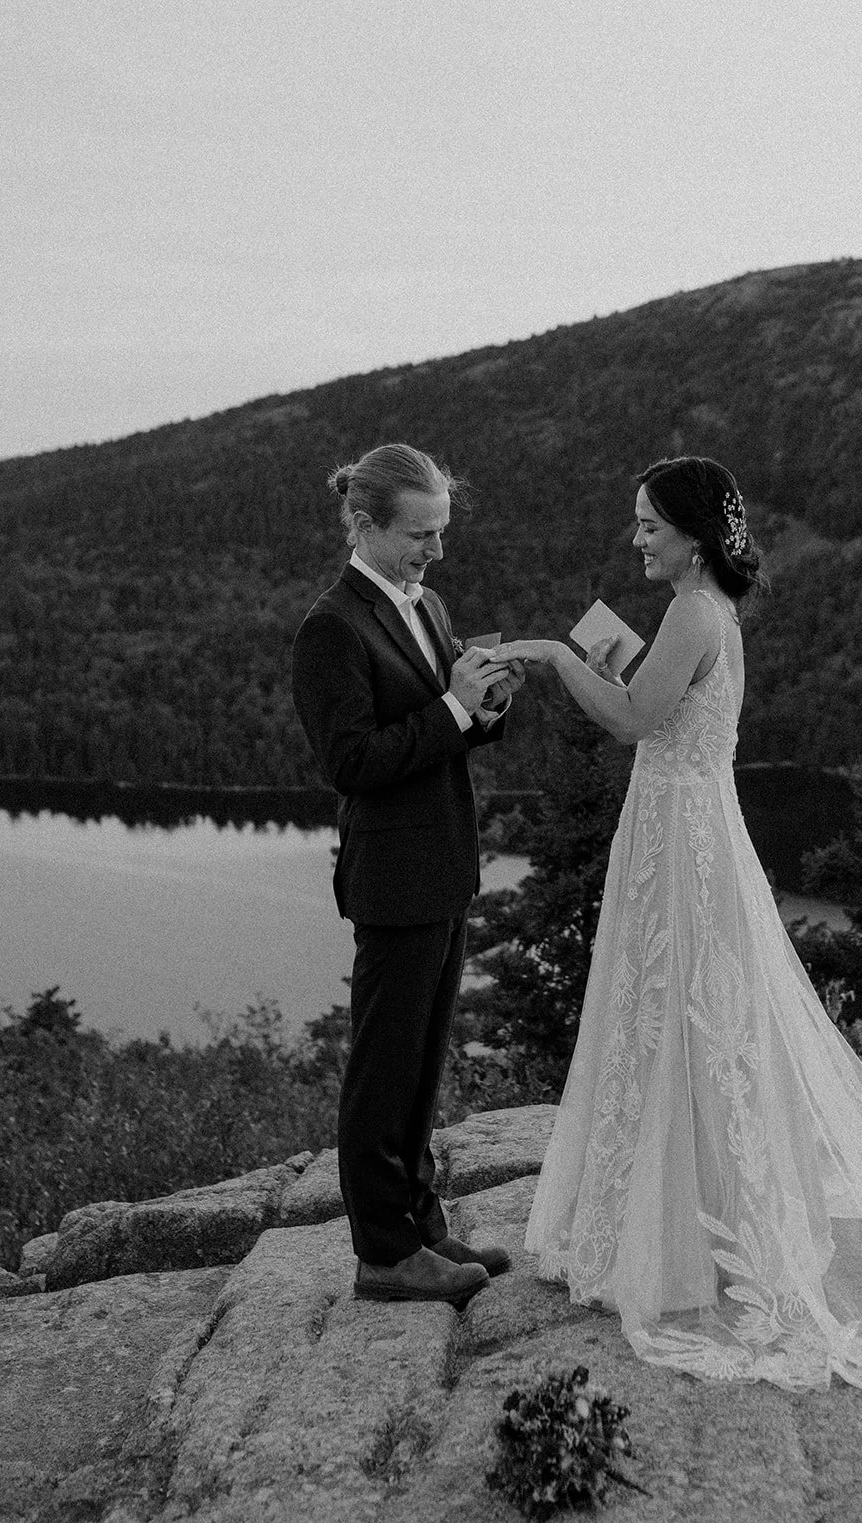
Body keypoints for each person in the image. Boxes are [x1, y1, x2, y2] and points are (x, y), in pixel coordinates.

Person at [493, 455, 862, 1409]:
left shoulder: (693, 609)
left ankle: (682, 1236)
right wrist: (608, 649)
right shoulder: (708, 611)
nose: (635, 539)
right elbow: (665, 697)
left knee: (678, 1010)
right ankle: (691, 1216)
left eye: (646, 525)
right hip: (690, 825)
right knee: (689, 1013)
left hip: (680, 837)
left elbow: (638, 721)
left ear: (690, 535)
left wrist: (557, 656)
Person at [292, 443, 524, 1306]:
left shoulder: (426, 607)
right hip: (393, 878)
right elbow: (351, 762)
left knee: (422, 1062)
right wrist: (455, 706)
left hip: (443, 867)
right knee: (383, 1069)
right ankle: (383, 1253)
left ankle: (421, 1226)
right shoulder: (332, 627)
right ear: (364, 525)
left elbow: (442, 731)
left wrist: (484, 705)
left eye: (442, 531)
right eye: (420, 534)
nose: (436, 550)